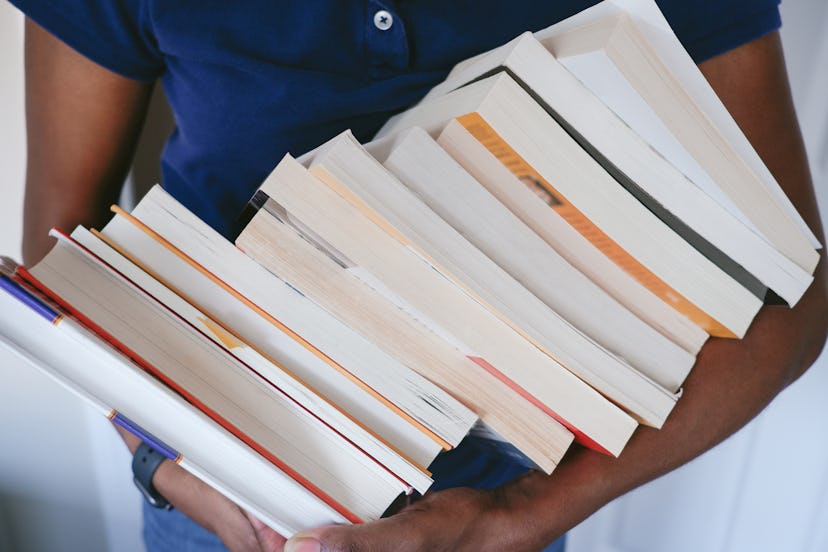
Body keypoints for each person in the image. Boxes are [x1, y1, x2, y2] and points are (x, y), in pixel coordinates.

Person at [12, 0, 827, 551]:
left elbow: (799, 296)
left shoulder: (508, 514)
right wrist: (171, 461)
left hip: (500, 502)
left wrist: (516, 517)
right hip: (217, 486)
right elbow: (61, 254)